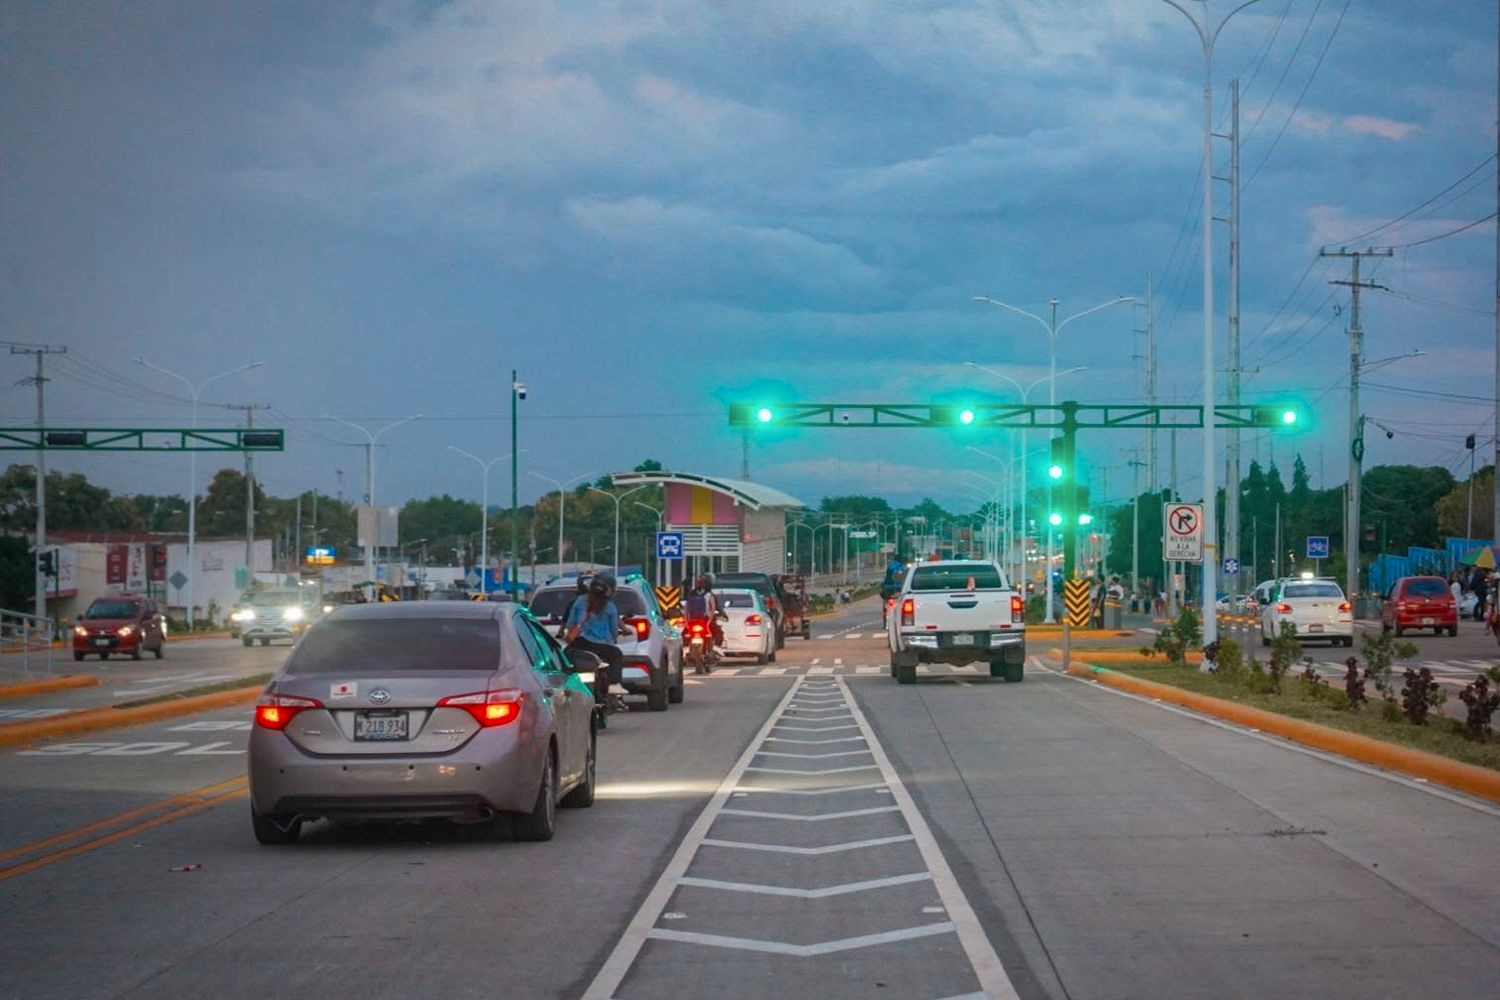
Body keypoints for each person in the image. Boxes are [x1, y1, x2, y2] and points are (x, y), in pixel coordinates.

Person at [562, 574, 627, 714]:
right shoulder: (610, 607)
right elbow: (614, 631)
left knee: (563, 660)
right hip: (602, 648)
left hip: (580, 644)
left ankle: (563, 690)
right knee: (617, 655)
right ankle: (614, 688)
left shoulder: (580, 601)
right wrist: (614, 639)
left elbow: (570, 623)